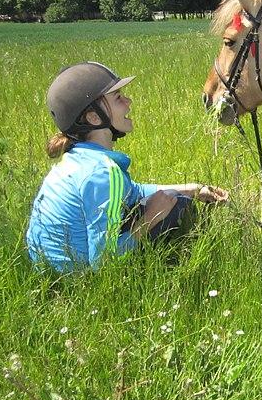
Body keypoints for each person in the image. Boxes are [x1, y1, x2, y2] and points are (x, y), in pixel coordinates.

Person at [26, 62, 228, 271]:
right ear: (94, 117)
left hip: (52, 275)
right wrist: (151, 218)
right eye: (118, 98)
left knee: (173, 196)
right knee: (179, 207)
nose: (128, 102)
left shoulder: (78, 161)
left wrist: (193, 188)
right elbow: (102, 262)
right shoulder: (103, 173)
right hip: (82, 282)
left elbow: (131, 192)